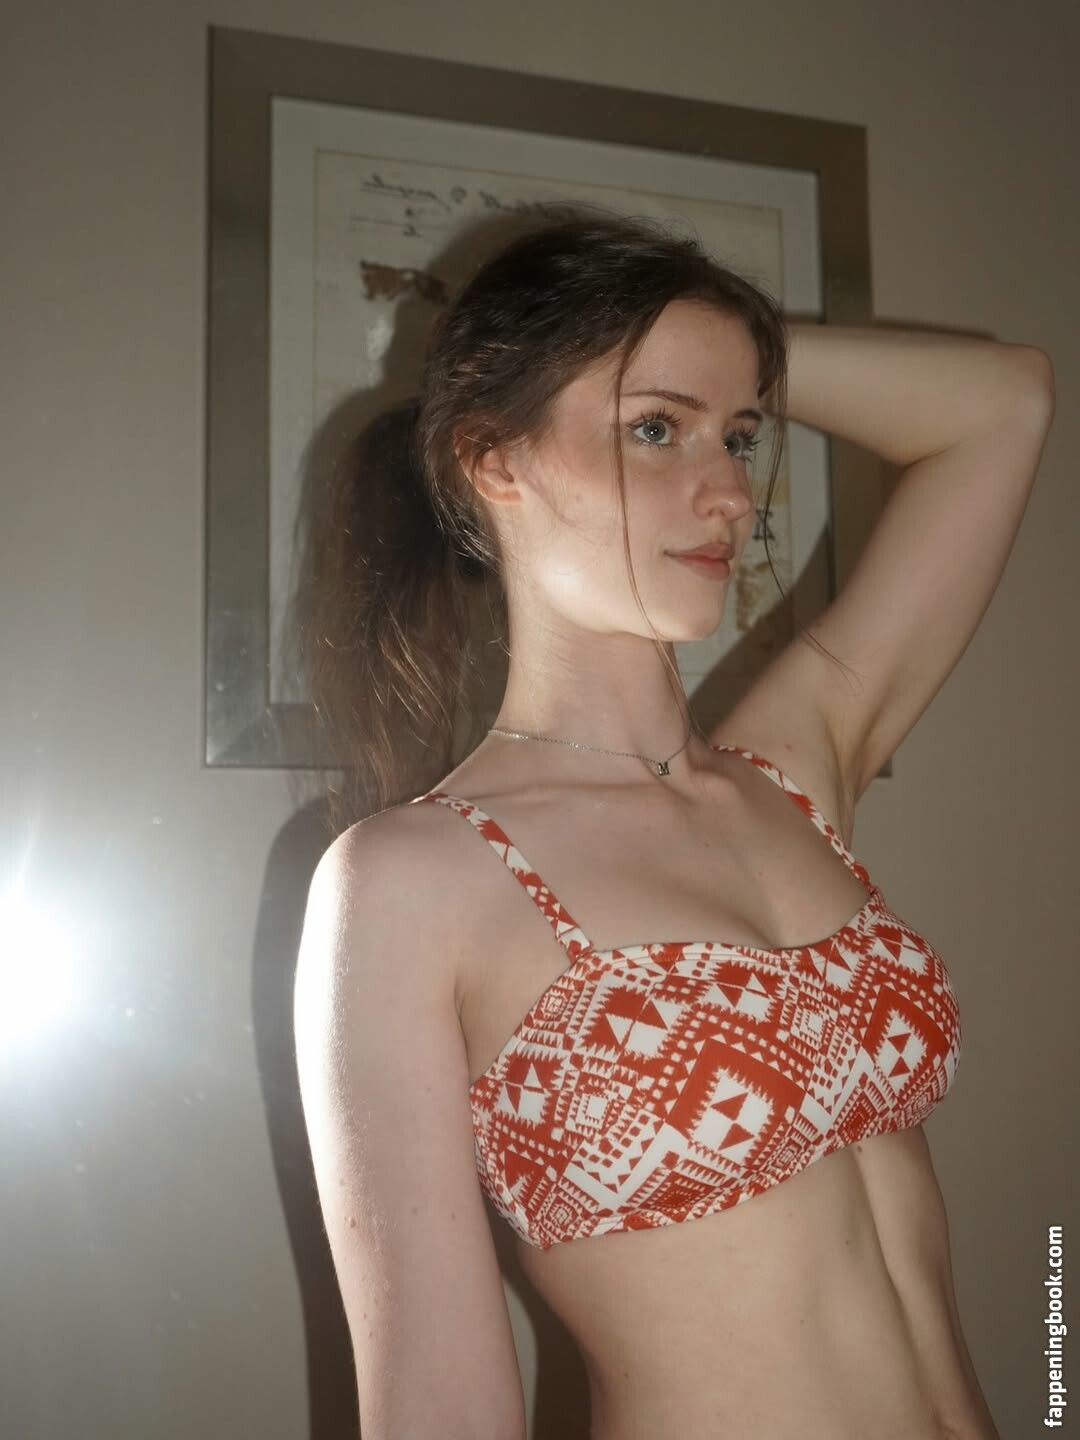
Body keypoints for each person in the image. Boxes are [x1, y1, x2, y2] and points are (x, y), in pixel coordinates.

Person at [292, 208, 1055, 1440]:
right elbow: (437, 1409)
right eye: (655, 427)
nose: (732, 494)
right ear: (494, 457)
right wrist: (604, 341)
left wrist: (713, 351)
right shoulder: (412, 879)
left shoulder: (795, 774)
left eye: (740, 435)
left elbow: (1005, 402)